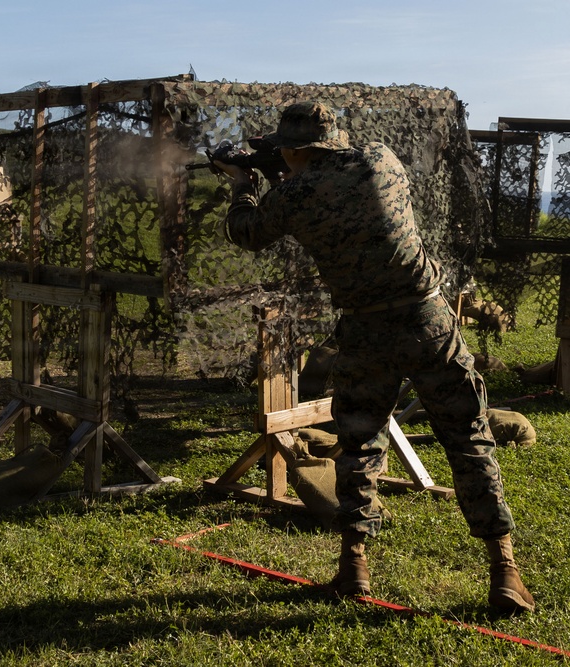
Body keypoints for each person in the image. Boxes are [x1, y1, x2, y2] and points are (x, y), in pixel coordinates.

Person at [210, 101, 534, 613]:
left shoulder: (294, 193)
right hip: (429, 318)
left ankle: (354, 569)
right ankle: (505, 572)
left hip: (366, 327)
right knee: (468, 437)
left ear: (294, 151)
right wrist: (279, 164)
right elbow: (332, 184)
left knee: (359, 445)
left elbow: (247, 230)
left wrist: (242, 181)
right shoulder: (381, 159)